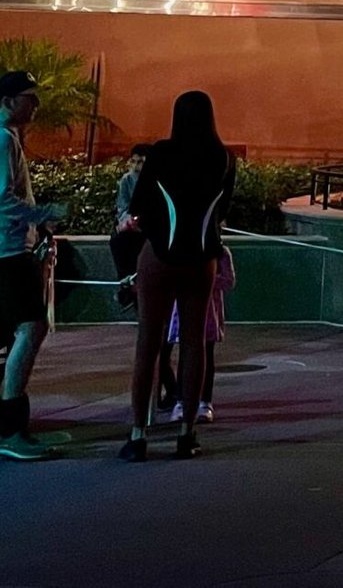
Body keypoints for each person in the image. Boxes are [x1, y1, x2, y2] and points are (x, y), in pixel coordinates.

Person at [119, 91, 234, 462]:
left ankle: (138, 434)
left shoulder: (161, 154)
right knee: (194, 343)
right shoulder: (224, 159)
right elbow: (221, 211)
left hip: (159, 255)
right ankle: (187, 433)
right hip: (201, 259)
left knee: (148, 345)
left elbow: (138, 208)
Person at [0, 71, 67, 461]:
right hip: (8, 254)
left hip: (13, 250)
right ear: (8, 101)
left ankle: (12, 422)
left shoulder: (10, 139)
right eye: (29, 97)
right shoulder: (4, 139)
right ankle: (11, 427)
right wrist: (46, 213)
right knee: (32, 327)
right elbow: (4, 200)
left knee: (22, 331)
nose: (35, 105)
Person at [164, 242, 235, 425]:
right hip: (184, 309)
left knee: (207, 357)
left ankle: (205, 402)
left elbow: (229, 280)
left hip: (209, 311)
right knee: (184, 357)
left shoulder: (220, 252)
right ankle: (181, 402)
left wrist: (206, 280)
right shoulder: (180, 248)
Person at [110, 145, 155, 308]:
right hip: (131, 228)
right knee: (117, 241)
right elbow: (122, 207)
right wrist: (128, 222)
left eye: (141, 162)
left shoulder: (157, 181)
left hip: (150, 230)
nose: (136, 166)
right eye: (134, 162)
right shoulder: (126, 180)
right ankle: (126, 284)